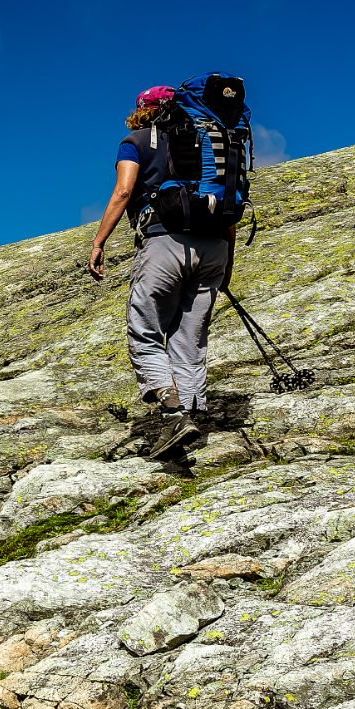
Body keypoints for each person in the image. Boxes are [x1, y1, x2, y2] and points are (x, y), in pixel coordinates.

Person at [87, 85, 235, 456]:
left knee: (146, 331)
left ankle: (172, 413)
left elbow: (124, 191)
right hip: (215, 244)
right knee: (190, 339)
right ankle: (191, 417)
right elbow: (230, 196)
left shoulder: (135, 140)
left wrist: (99, 242)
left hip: (164, 240)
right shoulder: (215, 140)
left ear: (142, 110)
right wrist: (227, 258)